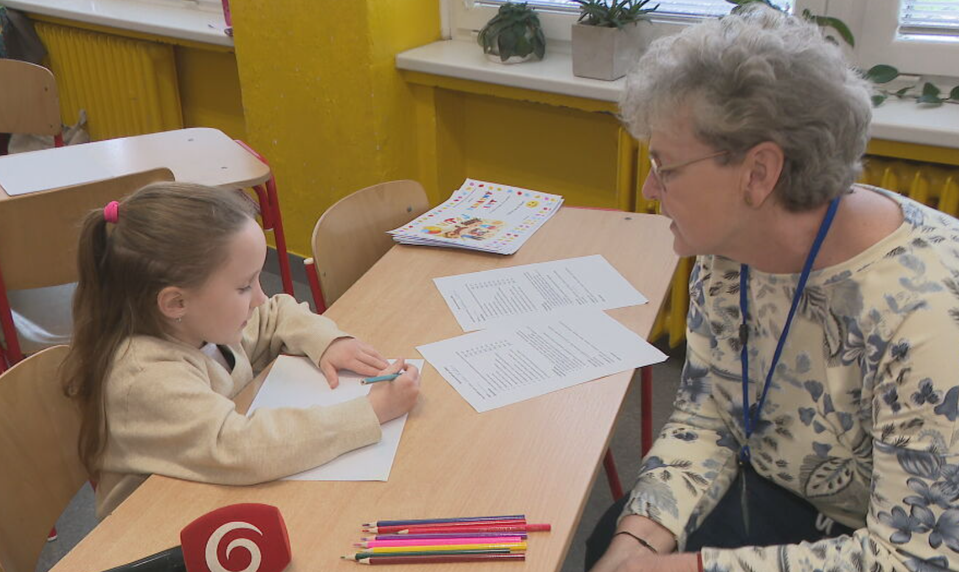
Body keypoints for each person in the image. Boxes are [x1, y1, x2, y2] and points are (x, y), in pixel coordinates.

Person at [586, 5, 959, 572]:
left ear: (758, 174)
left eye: (666, 166)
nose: (648, 187)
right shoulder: (731, 249)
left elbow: (913, 557)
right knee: (610, 537)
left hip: (888, 535)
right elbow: (709, 409)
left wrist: (685, 568)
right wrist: (638, 542)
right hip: (784, 483)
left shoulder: (929, 315)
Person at [62, 182, 421, 518]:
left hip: (212, 504)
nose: (260, 297)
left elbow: (275, 311)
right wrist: (371, 412)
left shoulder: (198, 322)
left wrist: (329, 341)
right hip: (156, 530)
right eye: (244, 286)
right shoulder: (143, 377)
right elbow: (243, 448)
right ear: (175, 302)